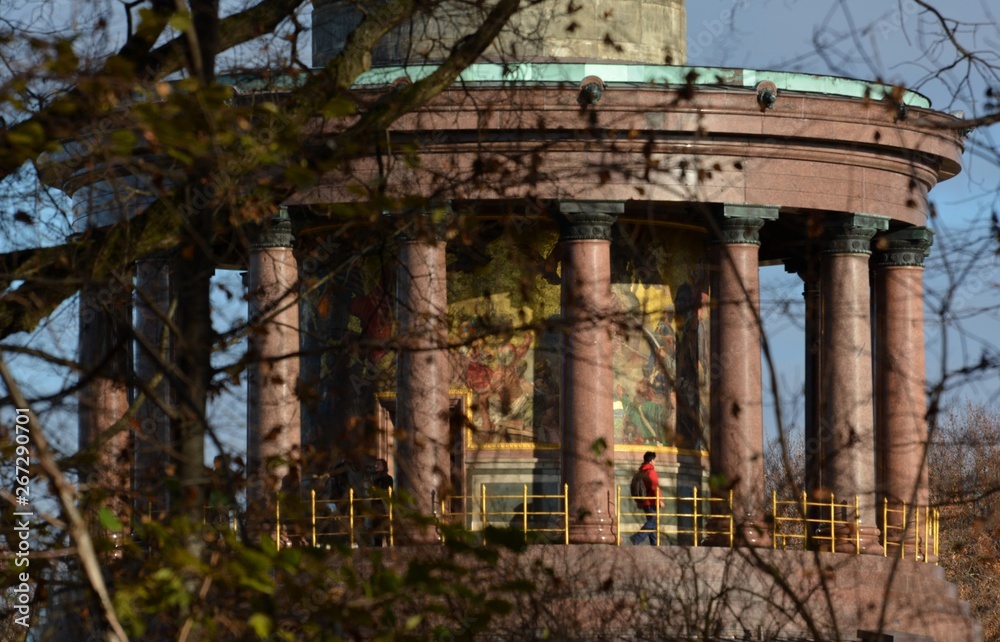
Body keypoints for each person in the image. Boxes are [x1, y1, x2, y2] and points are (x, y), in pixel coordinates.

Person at [630, 451, 661, 545]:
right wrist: (660, 500)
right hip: (652, 501)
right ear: (651, 461)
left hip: (644, 502)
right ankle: (637, 538)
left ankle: (654, 543)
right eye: (654, 460)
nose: (655, 462)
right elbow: (654, 487)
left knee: (652, 522)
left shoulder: (641, 472)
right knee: (653, 522)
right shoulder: (651, 472)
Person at [370, 459, 394, 546]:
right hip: (376, 507)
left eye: (378, 464)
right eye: (376, 464)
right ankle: (377, 546)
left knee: (386, 527)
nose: (376, 466)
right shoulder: (375, 480)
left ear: (384, 467)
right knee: (376, 529)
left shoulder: (388, 478)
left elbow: (385, 491)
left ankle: (389, 543)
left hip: (383, 507)